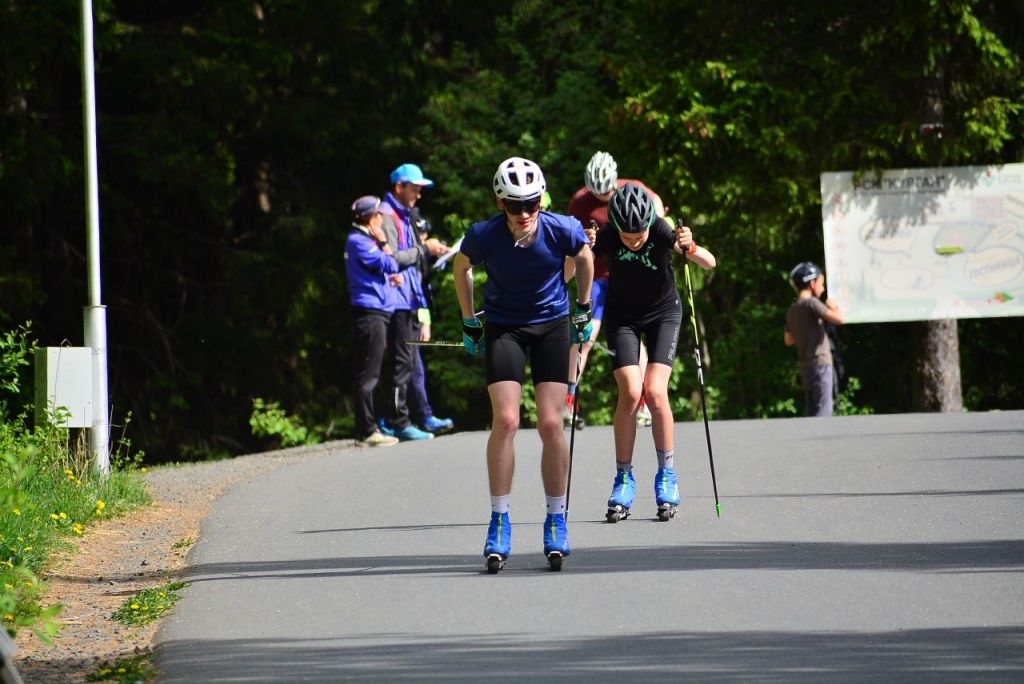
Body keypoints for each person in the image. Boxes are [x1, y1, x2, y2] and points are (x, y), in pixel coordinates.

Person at [452, 156, 594, 572]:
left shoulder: (560, 228)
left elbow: (584, 257)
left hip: (550, 325)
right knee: (508, 421)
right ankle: (499, 519)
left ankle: (555, 519)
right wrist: (468, 319)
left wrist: (582, 308)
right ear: (501, 205)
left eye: (532, 203)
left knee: (551, 424)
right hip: (504, 328)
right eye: (515, 206)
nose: (525, 213)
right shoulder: (484, 235)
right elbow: (462, 267)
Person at [585, 182, 716, 523]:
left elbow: (709, 263)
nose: (634, 239)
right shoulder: (607, 235)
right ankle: (624, 477)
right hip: (622, 316)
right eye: (627, 235)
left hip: (663, 313)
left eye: (639, 233)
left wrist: (689, 246)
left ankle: (667, 475)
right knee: (630, 391)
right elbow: (571, 271)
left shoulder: (660, 228)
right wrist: (582, 250)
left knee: (655, 392)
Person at [563, 151, 666, 430]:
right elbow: (571, 240)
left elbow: (655, 204)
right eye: (597, 196)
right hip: (596, 276)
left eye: (606, 194)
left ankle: (644, 403)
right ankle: (568, 400)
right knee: (585, 335)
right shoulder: (580, 201)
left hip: (627, 274)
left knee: (635, 337)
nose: (602, 199)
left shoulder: (631, 188)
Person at [376, 163, 450, 441]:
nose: (419, 194)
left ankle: (399, 418)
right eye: (415, 188)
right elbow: (392, 259)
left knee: (408, 361)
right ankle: (397, 420)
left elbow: (410, 258)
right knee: (402, 362)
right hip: (395, 300)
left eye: (421, 189)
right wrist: (424, 248)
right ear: (399, 187)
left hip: (409, 298)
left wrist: (430, 253)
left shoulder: (402, 213)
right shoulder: (386, 215)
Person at [343, 196, 401, 448]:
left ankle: (368, 427)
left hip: (376, 312)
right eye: (379, 214)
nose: (382, 217)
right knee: (369, 373)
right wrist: (384, 242)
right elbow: (389, 262)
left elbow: (386, 269)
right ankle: (367, 431)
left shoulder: (364, 240)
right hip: (369, 313)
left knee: (372, 369)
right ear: (371, 218)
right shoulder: (358, 240)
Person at [406, 207, 455, 434]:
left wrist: (425, 322)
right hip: (400, 314)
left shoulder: (421, 259)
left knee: (415, 366)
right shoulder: (408, 254)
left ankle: (419, 416)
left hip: (416, 315)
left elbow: (422, 290)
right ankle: (417, 417)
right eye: (421, 234)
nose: (424, 238)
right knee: (412, 367)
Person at [784, 261, 845, 416]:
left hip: (806, 366)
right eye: (821, 283)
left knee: (811, 410)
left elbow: (788, 340)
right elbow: (839, 319)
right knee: (823, 410)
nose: (823, 288)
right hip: (821, 364)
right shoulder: (812, 303)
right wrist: (833, 307)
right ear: (812, 283)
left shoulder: (793, 308)